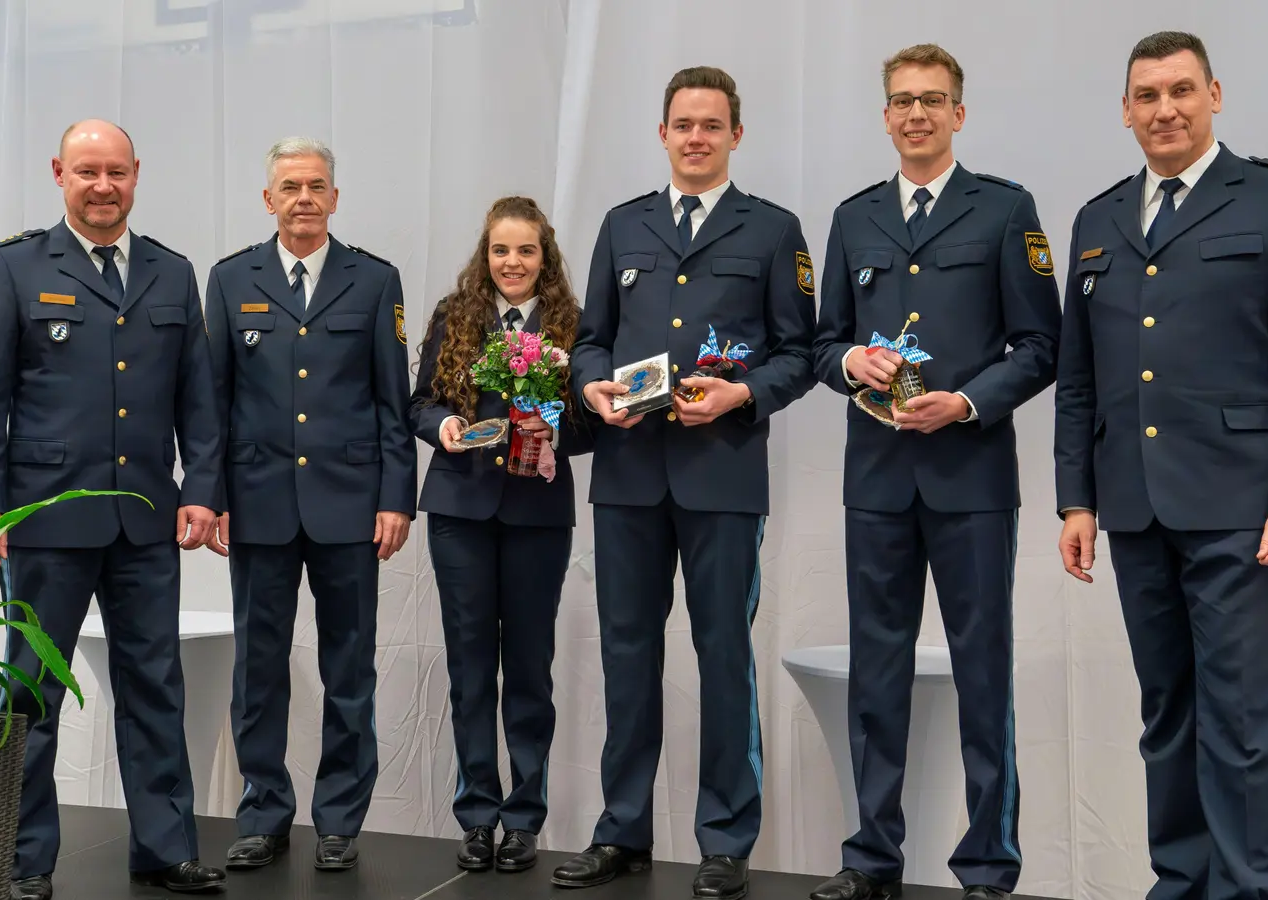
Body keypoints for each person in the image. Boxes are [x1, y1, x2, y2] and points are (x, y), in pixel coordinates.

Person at [1054, 31, 1268, 900]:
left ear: (1214, 95)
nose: (1165, 109)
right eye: (1146, 96)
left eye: (1181, 90)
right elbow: (1081, 378)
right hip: (1136, 510)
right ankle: (1181, 884)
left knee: (1248, 722)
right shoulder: (1099, 218)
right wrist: (1078, 498)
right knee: (1168, 716)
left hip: (1243, 509)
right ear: (1125, 111)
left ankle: (1254, 890)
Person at [551, 66, 818, 900]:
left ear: (736, 134)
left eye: (711, 125)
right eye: (682, 124)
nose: (695, 137)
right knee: (626, 656)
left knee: (724, 653)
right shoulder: (622, 225)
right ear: (662, 134)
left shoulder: (773, 231)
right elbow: (591, 338)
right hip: (630, 478)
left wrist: (742, 393)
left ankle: (726, 837)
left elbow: (801, 353)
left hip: (722, 477)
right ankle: (621, 831)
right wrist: (593, 385)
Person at [808, 43, 1061, 900]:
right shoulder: (853, 218)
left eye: (934, 99)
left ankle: (988, 868)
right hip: (877, 478)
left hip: (972, 478)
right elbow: (820, 340)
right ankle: (871, 860)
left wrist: (967, 403)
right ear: (885, 117)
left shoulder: (1004, 209)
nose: (917, 113)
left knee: (982, 670)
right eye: (903, 101)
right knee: (876, 673)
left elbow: (1040, 346)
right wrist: (850, 364)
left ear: (959, 113)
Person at [0, 119, 226, 898]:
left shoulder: (172, 274)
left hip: (143, 520)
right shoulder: (14, 267)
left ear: (136, 173)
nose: (102, 185)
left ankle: (165, 847)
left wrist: (201, 489)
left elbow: (196, 402)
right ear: (58, 174)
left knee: (154, 685)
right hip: (42, 520)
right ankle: (22, 858)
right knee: (30, 690)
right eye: (86, 171)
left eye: (116, 171)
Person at [204, 137, 416, 873]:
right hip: (258, 504)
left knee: (348, 666)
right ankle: (264, 812)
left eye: (316, 185)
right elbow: (215, 402)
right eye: (289, 186)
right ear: (269, 200)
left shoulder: (374, 280)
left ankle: (339, 818)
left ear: (334, 197)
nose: (303, 197)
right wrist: (213, 496)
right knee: (258, 668)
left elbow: (394, 401)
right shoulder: (232, 280)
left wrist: (397, 497)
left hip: (350, 506)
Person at [410, 195, 594, 875]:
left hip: (538, 515)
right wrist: (443, 429)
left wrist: (555, 427)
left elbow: (592, 426)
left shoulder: (573, 325)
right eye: (500, 250)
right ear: (483, 256)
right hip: (460, 511)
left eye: (525, 250)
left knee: (528, 670)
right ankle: (477, 815)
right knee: (467, 668)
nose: (511, 263)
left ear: (544, 257)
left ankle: (523, 817)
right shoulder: (454, 317)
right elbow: (419, 404)